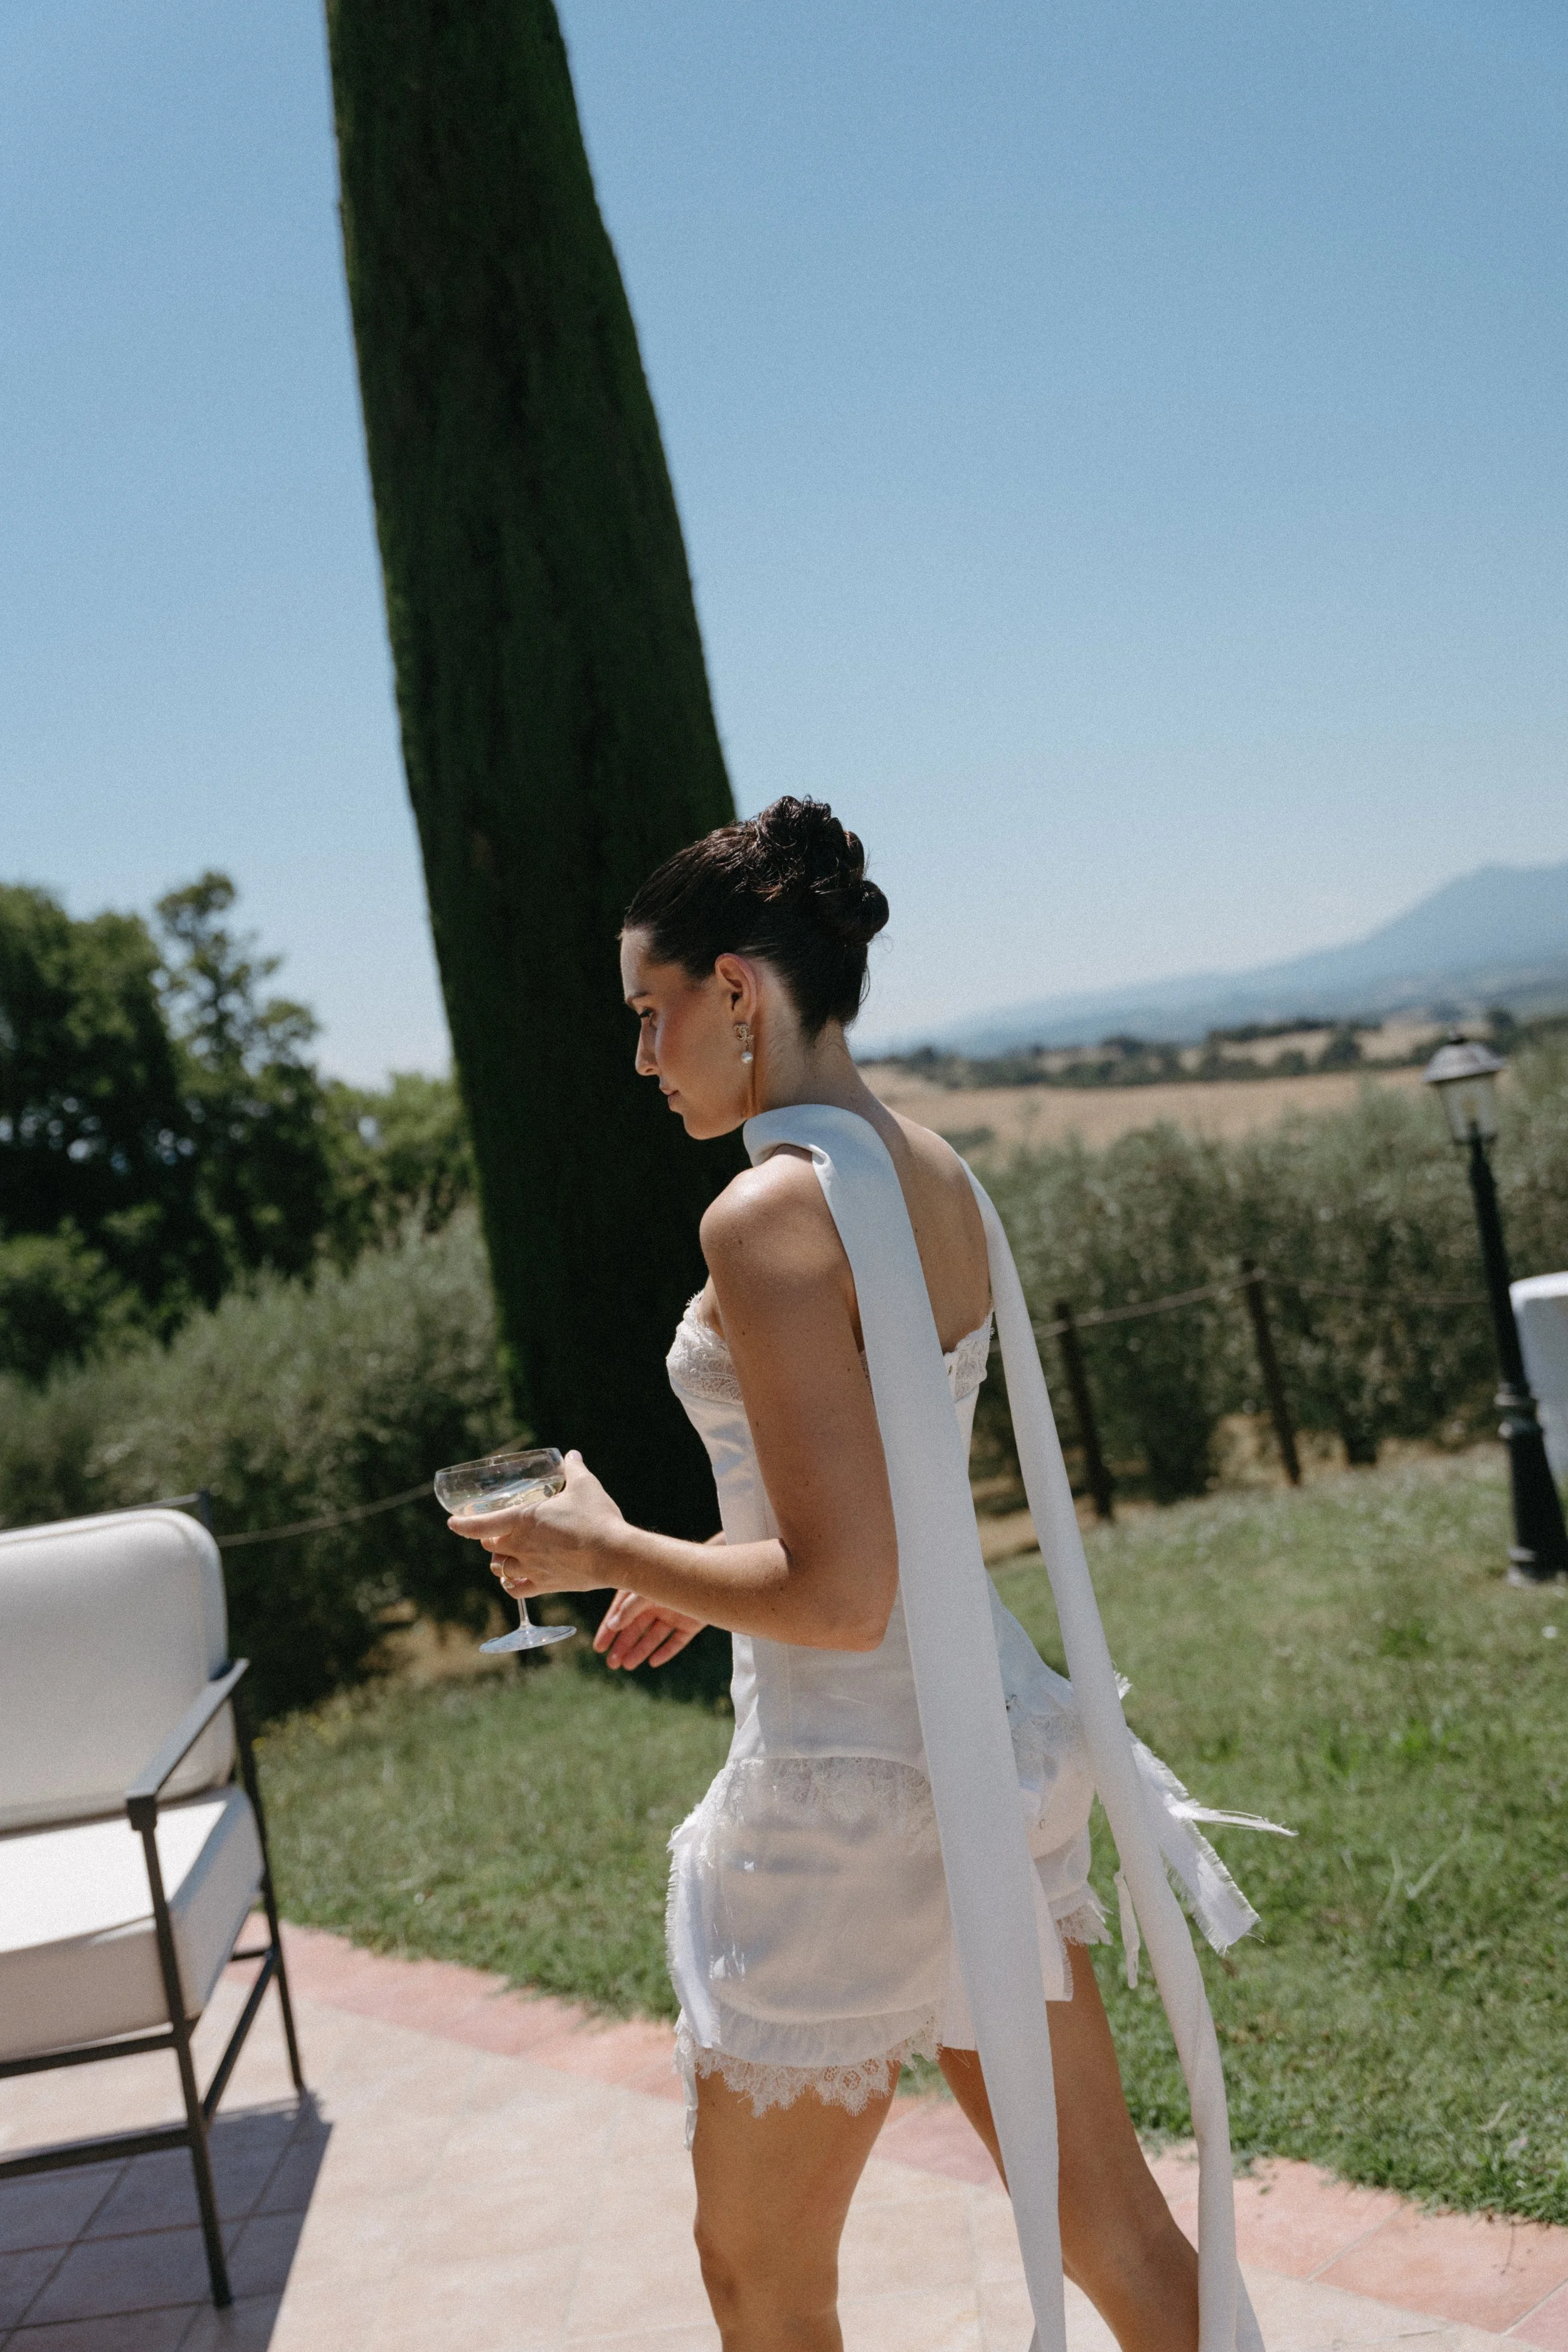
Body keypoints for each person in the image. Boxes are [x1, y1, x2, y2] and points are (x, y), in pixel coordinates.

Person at [450, 798, 1278, 2352]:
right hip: (987, 1755)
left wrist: (594, 1546)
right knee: (1116, 2233)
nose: (642, 1058)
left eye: (652, 1013)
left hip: (846, 1797)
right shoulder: (930, 1170)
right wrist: (688, 1575)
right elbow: (876, 1515)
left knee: (755, 2279)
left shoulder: (766, 1211)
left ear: (737, 993)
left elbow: (840, 1598)